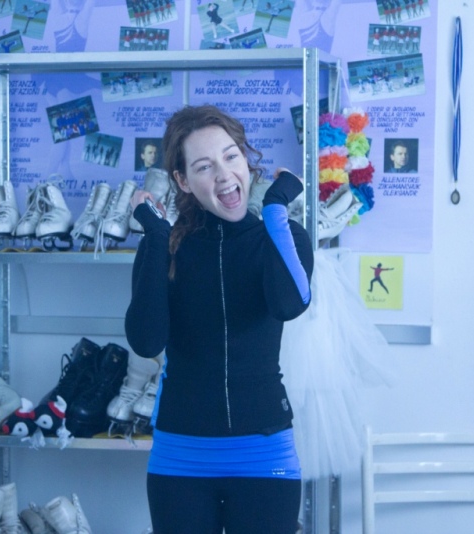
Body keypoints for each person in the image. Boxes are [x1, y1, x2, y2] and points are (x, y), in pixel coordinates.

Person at [125, 104, 313, 534]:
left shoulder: (282, 236)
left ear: (246, 160)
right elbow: (146, 340)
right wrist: (156, 235)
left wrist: (275, 208)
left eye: (231, 156)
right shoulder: (167, 246)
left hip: (264, 453)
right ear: (182, 181)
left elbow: (290, 304)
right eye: (204, 167)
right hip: (180, 457)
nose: (224, 175)